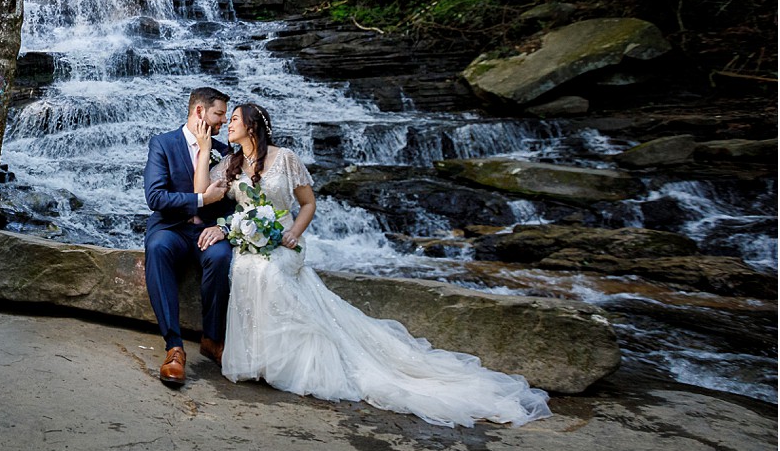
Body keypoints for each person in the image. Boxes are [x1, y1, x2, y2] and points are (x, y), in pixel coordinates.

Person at [199, 101, 552, 427]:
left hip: (285, 242)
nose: (228, 124)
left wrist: (293, 231)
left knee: (271, 270)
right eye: (227, 119)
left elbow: (308, 203)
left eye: (234, 119)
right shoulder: (230, 164)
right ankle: (260, 361)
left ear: (253, 126)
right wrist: (203, 152)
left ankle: (291, 362)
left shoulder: (285, 158)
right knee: (247, 267)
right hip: (250, 243)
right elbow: (202, 193)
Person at [142, 86, 234, 387]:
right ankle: (174, 347)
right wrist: (200, 201)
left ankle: (212, 339)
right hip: (172, 228)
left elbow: (237, 204)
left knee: (220, 258)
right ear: (199, 111)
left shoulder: (224, 152)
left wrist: (222, 227)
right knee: (157, 248)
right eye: (219, 114)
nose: (223, 121)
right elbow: (155, 197)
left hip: (208, 231)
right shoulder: (163, 144)